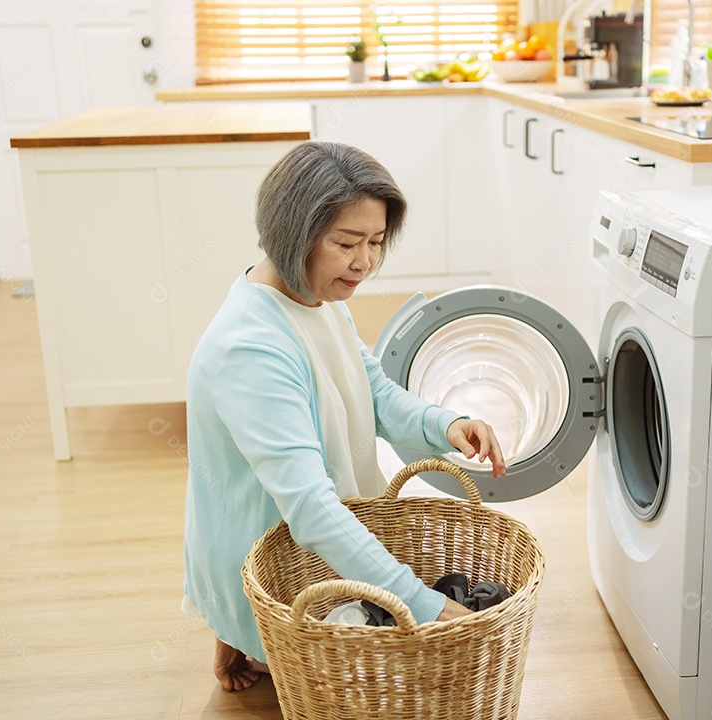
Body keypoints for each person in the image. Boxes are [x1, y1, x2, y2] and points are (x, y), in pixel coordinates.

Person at [182, 141, 507, 692]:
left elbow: (372, 391)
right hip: (276, 559)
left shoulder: (316, 296)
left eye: (377, 242)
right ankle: (248, 632)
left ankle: (247, 637)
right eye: (346, 243)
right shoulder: (251, 347)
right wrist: (421, 605)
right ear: (292, 235)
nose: (365, 262)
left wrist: (445, 424)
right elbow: (309, 507)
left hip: (306, 539)